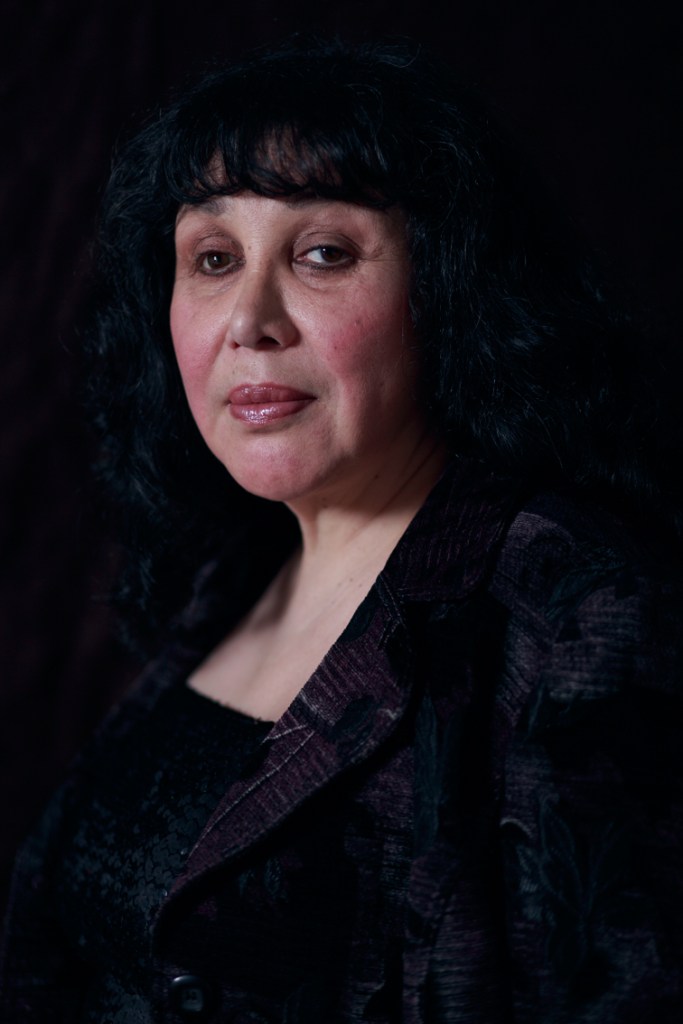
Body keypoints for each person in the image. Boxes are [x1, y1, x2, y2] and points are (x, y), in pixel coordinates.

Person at [1, 36, 682, 1023]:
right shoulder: (230, 575)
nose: (250, 319)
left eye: (322, 253)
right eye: (213, 259)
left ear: (445, 289)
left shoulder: (580, 610)